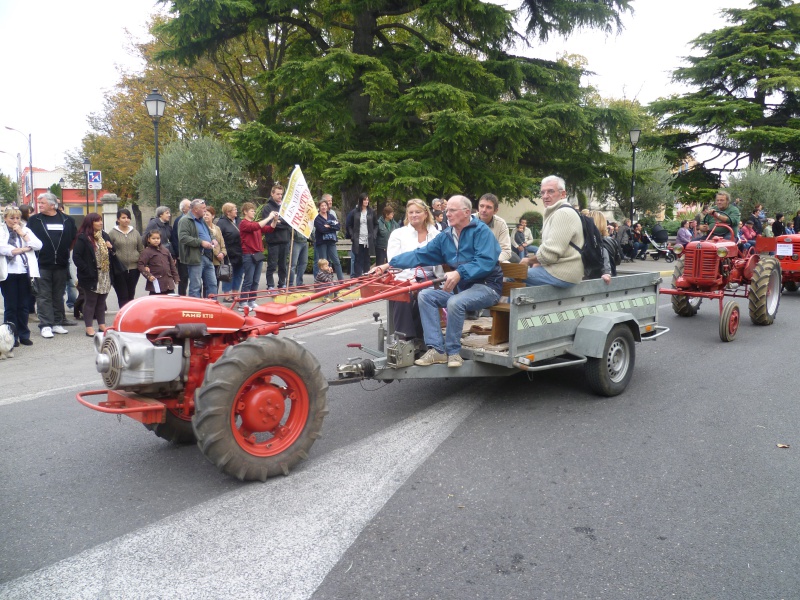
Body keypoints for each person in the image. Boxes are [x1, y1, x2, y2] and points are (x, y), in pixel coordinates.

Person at [381, 195, 501, 368]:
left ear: (466, 212)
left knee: (454, 301)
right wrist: (388, 265)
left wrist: (459, 273)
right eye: (446, 211)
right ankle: (436, 349)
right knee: (425, 296)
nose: (447, 214)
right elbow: (419, 254)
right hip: (461, 289)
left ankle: (453, 352)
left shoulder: (482, 232)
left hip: (487, 287)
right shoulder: (446, 236)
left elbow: (485, 262)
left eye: (452, 210)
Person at [372, 198, 441, 340]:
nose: (414, 215)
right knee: (404, 295)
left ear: (426, 214)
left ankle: (423, 338)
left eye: (418, 212)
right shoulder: (398, 234)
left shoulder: (436, 235)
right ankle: (405, 339)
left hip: (431, 278)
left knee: (425, 295)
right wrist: (410, 282)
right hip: (404, 278)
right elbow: (395, 264)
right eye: (411, 212)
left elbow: (440, 264)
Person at [26, 192, 78, 338]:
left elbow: (73, 239)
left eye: (42, 202)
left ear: (52, 204)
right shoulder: (34, 220)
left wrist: (64, 252)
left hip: (61, 264)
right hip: (41, 264)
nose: (39, 205)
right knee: (43, 296)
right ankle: (45, 325)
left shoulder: (68, 220)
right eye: (39, 202)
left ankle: (56, 323)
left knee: (58, 294)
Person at [521, 176, 584, 288]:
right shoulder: (556, 212)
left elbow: (549, 255)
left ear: (563, 194)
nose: (545, 196)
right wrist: (538, 262)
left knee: (514, 275)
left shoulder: (562, 214)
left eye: (550, 191)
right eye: (542, 192)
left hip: (562, 274)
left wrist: (529, 260)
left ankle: (512, 306)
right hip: (560, 271)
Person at [0, 206, 42, 347]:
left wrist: (22, 234)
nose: (15, 221)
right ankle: (11, 336)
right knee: (11, 306)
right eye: (12, 218)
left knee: (24, 306)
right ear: (5, 218)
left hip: (25, 272)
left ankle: (24, 334)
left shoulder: (25, 229)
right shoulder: (2, 230)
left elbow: (38, 245)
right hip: (8, 274)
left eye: (17, 218)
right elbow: (4, 249)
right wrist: (23, 249)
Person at [72, 213, 115, 337]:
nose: (100, 223)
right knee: (91, 301)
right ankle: (89, 327)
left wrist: (111, 248)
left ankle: (102, 325)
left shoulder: (104, 236)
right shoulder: (83, 238)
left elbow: (112, 253)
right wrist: (87, 270)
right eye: (97, 221)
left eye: (101, 220)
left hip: (105, 274)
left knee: (101, 301)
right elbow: (77, 257)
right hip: (90, 275)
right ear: (90, 223)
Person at [239, 202, 277, 310]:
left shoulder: (255, 223)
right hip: (249, 255)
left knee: (255, 280)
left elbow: (269, 229)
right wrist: (269, 216)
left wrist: (274, 220)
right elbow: (257, 226)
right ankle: (243, 302)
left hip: (258, 255)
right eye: (251, 210)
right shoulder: (244, 223)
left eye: (254, 210)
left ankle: (251, 300)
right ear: (245, 212)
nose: (253, 212)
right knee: (248, 280)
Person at [178, 199, 218, 299]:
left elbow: (209, 233)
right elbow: (183, 238)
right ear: (195, 209)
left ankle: (213, 307)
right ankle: (196, 309)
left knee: (212, 283)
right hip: (196, 257)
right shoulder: (185, 221)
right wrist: (201, 242)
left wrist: (213, 239)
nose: (205, 210)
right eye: (203, 208)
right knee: (196, 286)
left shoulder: (202, 220)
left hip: (207, 256)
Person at [108, 208, 143, 308]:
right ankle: (122, 317)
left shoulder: (135, 233)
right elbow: (109, 250)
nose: (126, 220)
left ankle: (129, 317)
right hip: (119, 269)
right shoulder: (112, 233)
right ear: (118, 219)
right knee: (122, 295)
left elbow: (141, 249)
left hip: (134, 269)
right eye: (123, 218)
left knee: (131, 294)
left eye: (128, 218)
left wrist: (144, 264)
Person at [261, 184, 292, 289]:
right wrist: (278, 223)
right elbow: (269, 224)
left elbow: (288, 223)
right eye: (278, 194)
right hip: (273, 241)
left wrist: (279, 221)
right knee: (272, 265)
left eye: (281, 194)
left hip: (285, 240)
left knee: (283, 265)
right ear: (272, 193)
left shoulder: (284, 207)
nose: (280, 196)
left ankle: (282, 283)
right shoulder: (268, 208)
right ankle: (270, 285)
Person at [216, 202, 244, 301]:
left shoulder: (239, 221)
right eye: (234, 209)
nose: (236, 211)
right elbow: (218, 238)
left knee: (238, 273)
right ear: (228, 212)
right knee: (227, 273)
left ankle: (235, 293)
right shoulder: (221, 222)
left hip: (240, 251)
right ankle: (226, 295)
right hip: (228, 252)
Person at [138, 229, 180, 295]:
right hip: (156, 283)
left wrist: (176, 277)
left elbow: (172, 265)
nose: (156, 240)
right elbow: (141, 265)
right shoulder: (146, 252)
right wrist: (148, 275)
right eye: (153, 238)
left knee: (170, 302)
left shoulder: (165, 250)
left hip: (168, 283)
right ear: (148, 239)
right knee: (155, 303)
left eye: (158, 238)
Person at [346, 193, 378, 277]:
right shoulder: (355, 212)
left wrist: (374, 235)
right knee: (358, 260)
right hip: (358, 239)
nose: (366, 201)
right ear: (361, 201)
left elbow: (376, 225)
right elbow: (348, 225)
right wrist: (352, 235)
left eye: (367, 199)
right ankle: (358, 278)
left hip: (368, 239)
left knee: (367, 260)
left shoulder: (371, 212)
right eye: (364, 200)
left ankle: (366, 278)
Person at [476, 193, 514, 262]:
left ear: (495, 211)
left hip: (493, 260)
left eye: (488, 207)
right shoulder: (468, 220)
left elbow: (506, 251)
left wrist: (492, 262)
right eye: (481, 206)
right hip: (472, 261)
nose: (484, 210)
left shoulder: (501, 224)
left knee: (510, 268)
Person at [313, 196, 344, 280]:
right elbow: (322, 229)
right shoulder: (317, 219)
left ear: (327, 207)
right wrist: (331, 226)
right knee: (324, 263)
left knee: (336, 261)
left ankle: (341, 281)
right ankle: (326, 281)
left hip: (331, 242)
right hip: (322, 242)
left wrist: (328, 226)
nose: (324, 207)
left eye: (325, 205)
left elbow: (337, 226)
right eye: (322, 206)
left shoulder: (331, 216)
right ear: (319, 207)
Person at [171, 199, 191, 295]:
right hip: (182, 254)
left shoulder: (195, 219)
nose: (191, 208)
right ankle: (182, 296)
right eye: (189, 206)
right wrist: (178, 253)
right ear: (183, 209)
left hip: (193, 254)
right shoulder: (178, 220)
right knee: (183, 277)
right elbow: (174, 238)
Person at [587, 211, 614, 283]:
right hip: (609, 277)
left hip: (594, 278)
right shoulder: (610, 240)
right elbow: (618, 259)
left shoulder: (589, 241)